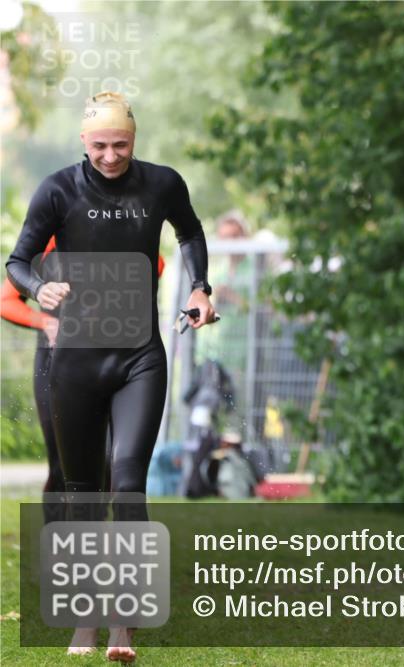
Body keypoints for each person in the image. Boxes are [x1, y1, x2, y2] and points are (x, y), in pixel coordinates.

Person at [4, 91, 216, 662]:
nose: (110, 156)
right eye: (99, 145)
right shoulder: (57, 190)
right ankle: (84, 623)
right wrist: (36, 288)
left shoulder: (161, 184)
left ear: (135, 139)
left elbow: (190, 234)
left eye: (120, 144)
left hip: (138, 356)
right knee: (81, 493)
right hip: (74, 359)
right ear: (83, 142)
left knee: (126, 483)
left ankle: (123, 625)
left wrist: (200, 288)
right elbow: (17, 261)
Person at [1, 244, 165, 503]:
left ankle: (102, 538)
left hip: (116, 361)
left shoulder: (119, 229)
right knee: (63, 468)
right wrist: (45, 322)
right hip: (57, 363)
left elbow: (156, 265)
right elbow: (6, 299)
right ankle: (56, 538)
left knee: (112, 463)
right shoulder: (49, 238)